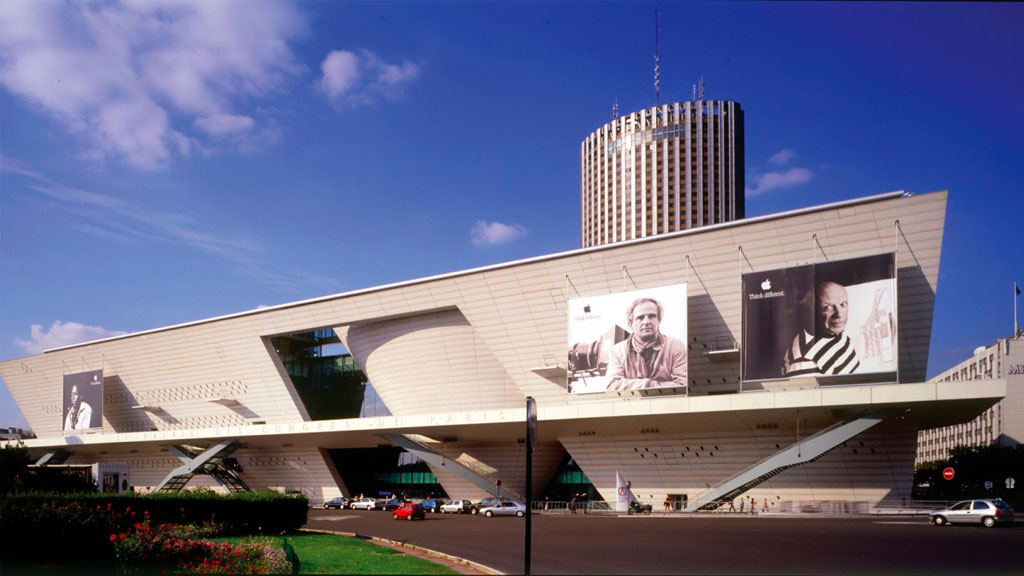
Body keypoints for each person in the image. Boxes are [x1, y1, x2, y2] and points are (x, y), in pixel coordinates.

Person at [606, 297, 688, 390]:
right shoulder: (617, 351)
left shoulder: (675, 346)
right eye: (640, 318)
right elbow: (612, 386)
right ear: (630, 324)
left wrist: (640, 386)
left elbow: (682, 385)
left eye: (652, 316)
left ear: (659, 321)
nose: (646, 322)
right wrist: (651, 385)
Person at [783, 282, 861, 376]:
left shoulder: (831, 332)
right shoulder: (804, 362)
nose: (839, 314)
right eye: (827, 308)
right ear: (811, 312)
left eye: (843, 304)